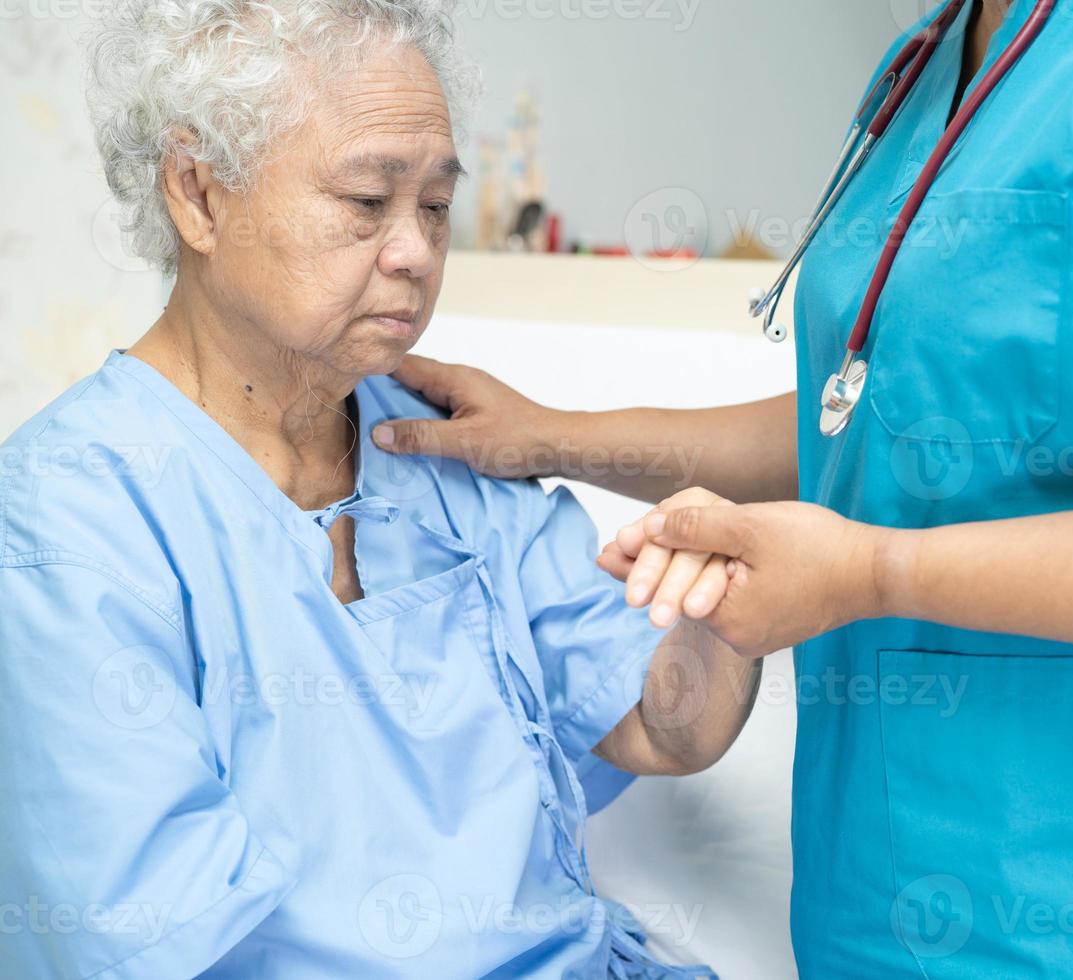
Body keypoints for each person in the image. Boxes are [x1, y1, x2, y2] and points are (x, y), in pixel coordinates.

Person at [372, 0, 1073, 974]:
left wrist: (874, 571)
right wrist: (556, 437)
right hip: (891, 916)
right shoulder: (936, 61)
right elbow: (896, 430)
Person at [0, 2, 754, 977]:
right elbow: (142, 942)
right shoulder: (71, 517)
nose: (414, 251)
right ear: (197, 194)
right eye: (367, 202)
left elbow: (660, 720)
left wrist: (722, 610)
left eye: (434, 206)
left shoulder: (447, 451)